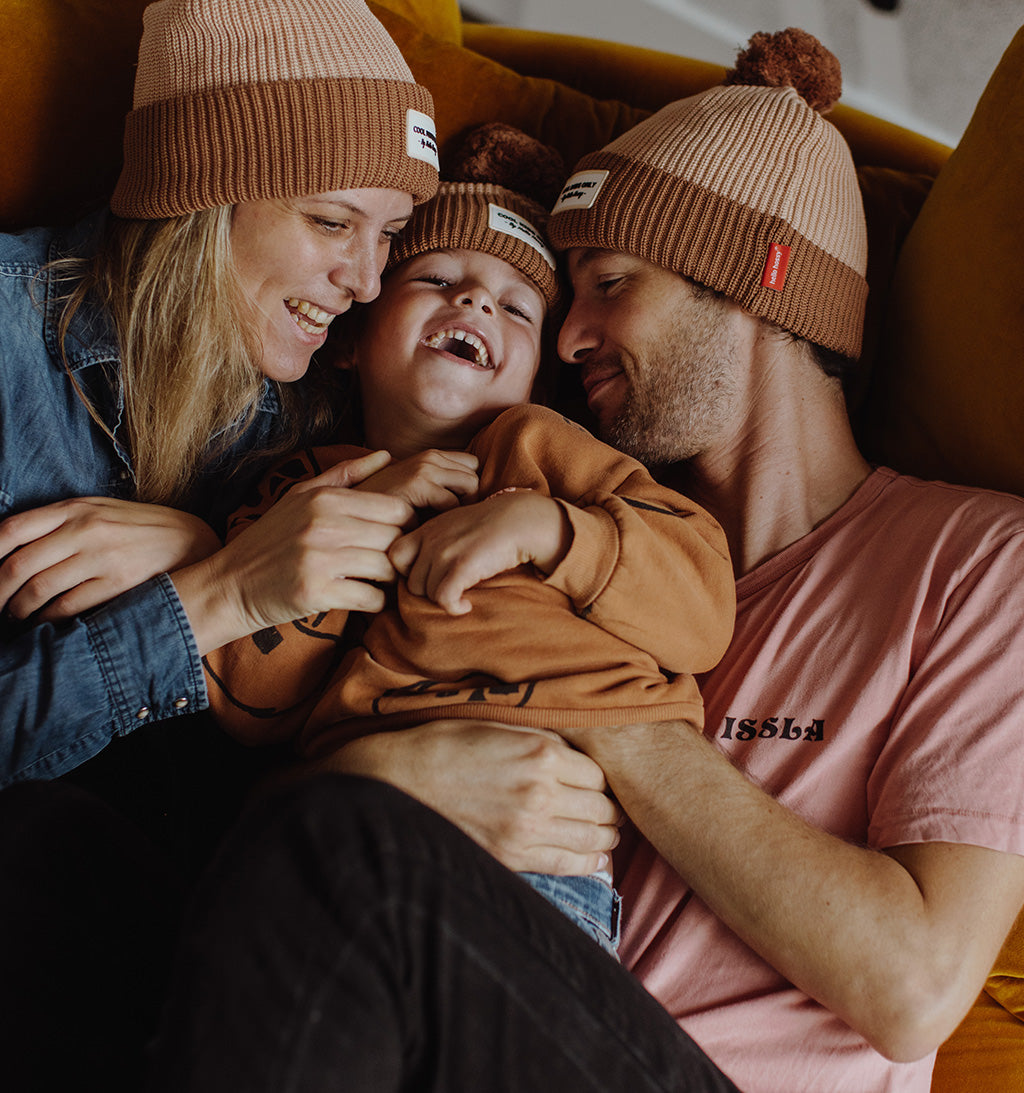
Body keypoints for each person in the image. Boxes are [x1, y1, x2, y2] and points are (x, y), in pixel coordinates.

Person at [144, 28, 1024, 1093]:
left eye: (608, 282)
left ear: (756, 275)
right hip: (460, 1017)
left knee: (347, 846)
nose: (568, 338)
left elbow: (913, 986)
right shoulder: (537, 497)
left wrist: (597, 701)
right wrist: (210, 572)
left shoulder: (978, 561)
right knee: (58, 848)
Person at [203, 124, 735, 951]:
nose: (476, 302)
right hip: (356, 816)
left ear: (536, 377)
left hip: (542, 843)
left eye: (516, 306)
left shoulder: (546, 451)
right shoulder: (303, 484)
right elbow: (250, 701)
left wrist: (557, 531)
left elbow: (700, 603)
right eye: (438, 278)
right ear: (350, 340)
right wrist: (360, 522)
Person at [0, 0, 439, 789]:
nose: (365, 284)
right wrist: (218, 593)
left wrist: (204, 545)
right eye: (330, 221)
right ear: (199, 197)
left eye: (390, 234)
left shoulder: (325, 398)